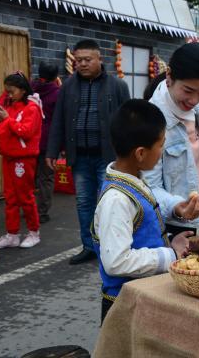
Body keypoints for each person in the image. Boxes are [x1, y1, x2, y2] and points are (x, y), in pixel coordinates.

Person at [92, 99, 191, 323]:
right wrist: (171, 254)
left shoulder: (133, 180)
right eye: (161, 145)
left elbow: (144, 229)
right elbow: (116, 261)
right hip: (124, 305)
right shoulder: (116, 199)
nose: (163, 150)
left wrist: (172, 240)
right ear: (140, 154)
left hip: (141, 296)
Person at [46, 39, 131, 265]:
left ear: (99, 60)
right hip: (80, 156)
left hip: (108, 156)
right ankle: (88, 246)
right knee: (84, 203)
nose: (82, 64)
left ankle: (111, 246)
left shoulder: (117, 86)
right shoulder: (68, 86)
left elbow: (128, 120)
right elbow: (58, 121)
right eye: (78, 60)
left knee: (109, 204)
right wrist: (52, 150)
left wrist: (130, 153)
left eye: (87, 60)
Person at [144, 43, 199, 237]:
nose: (194, 100)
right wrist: (177, 206)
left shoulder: (195, 110)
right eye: (188, 90)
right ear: (169, 76)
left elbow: (191, 150)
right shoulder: (152, 121)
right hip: (170, 223)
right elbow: (149, 188)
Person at [0, 72, 42, 249]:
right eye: (6, 91)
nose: (8, 95)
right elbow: (1, 128)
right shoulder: (10, 105)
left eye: (11, 91)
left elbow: (26, 132)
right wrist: (3, 119)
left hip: (23, 159)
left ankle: (34, 232)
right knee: (10, 198)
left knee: (25, 196)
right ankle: (12, 234)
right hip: (8, 156)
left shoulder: (32, 108)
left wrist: (7, 119)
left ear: (22, 90)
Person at [31, 61, 60, 224]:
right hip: (48, 141)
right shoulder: (57, 93)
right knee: (46, 177)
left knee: (29, 176)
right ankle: (41, 212)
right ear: (55, 76)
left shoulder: (29, 88)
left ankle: (28, 208)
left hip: (29, 139)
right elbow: (59, 120)